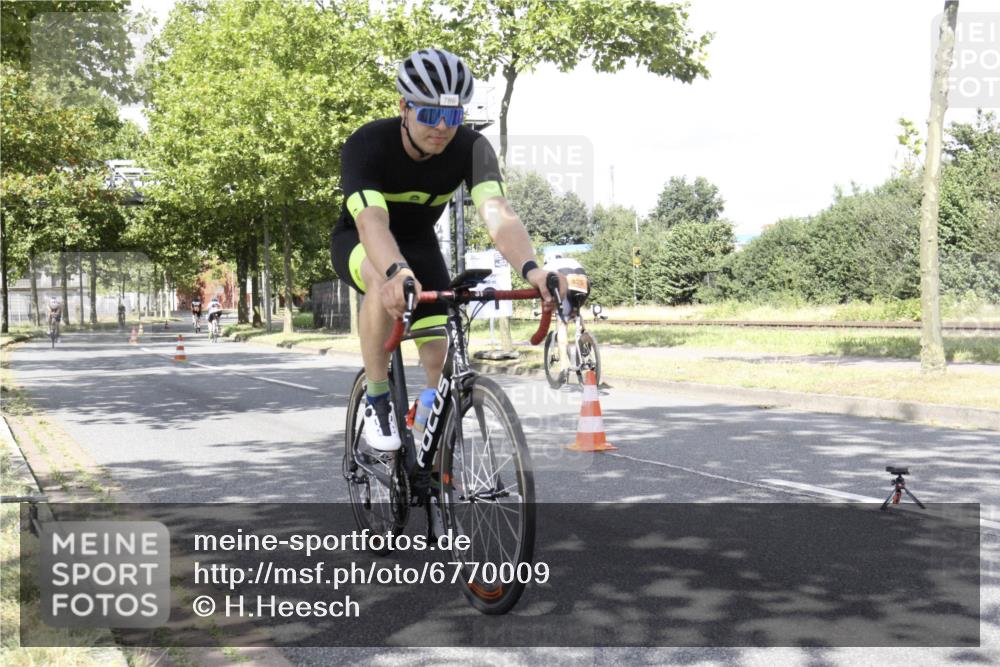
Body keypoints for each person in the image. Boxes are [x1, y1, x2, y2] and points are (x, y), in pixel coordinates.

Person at [330, 48, 559, 453]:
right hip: (361, 240)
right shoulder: (367, 144)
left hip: (420, 245)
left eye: (453, 116)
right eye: (429, 114)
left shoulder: (472, 148)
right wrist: (395, 272)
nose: (441, 127)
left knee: (439, 360)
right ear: (404, 107)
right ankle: (378, 398)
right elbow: (371, 222)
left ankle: (430, 442)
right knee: (378, 276)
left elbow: (498, 214)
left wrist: (532, 270)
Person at [543, 253, 591, 382]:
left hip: (566, 283)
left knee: (562, 322)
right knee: (576, 312)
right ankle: (586, 337)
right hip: (584, 282)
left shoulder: (547, 267)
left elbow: (545, 294)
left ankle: (564, 365)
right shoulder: (571, 260)